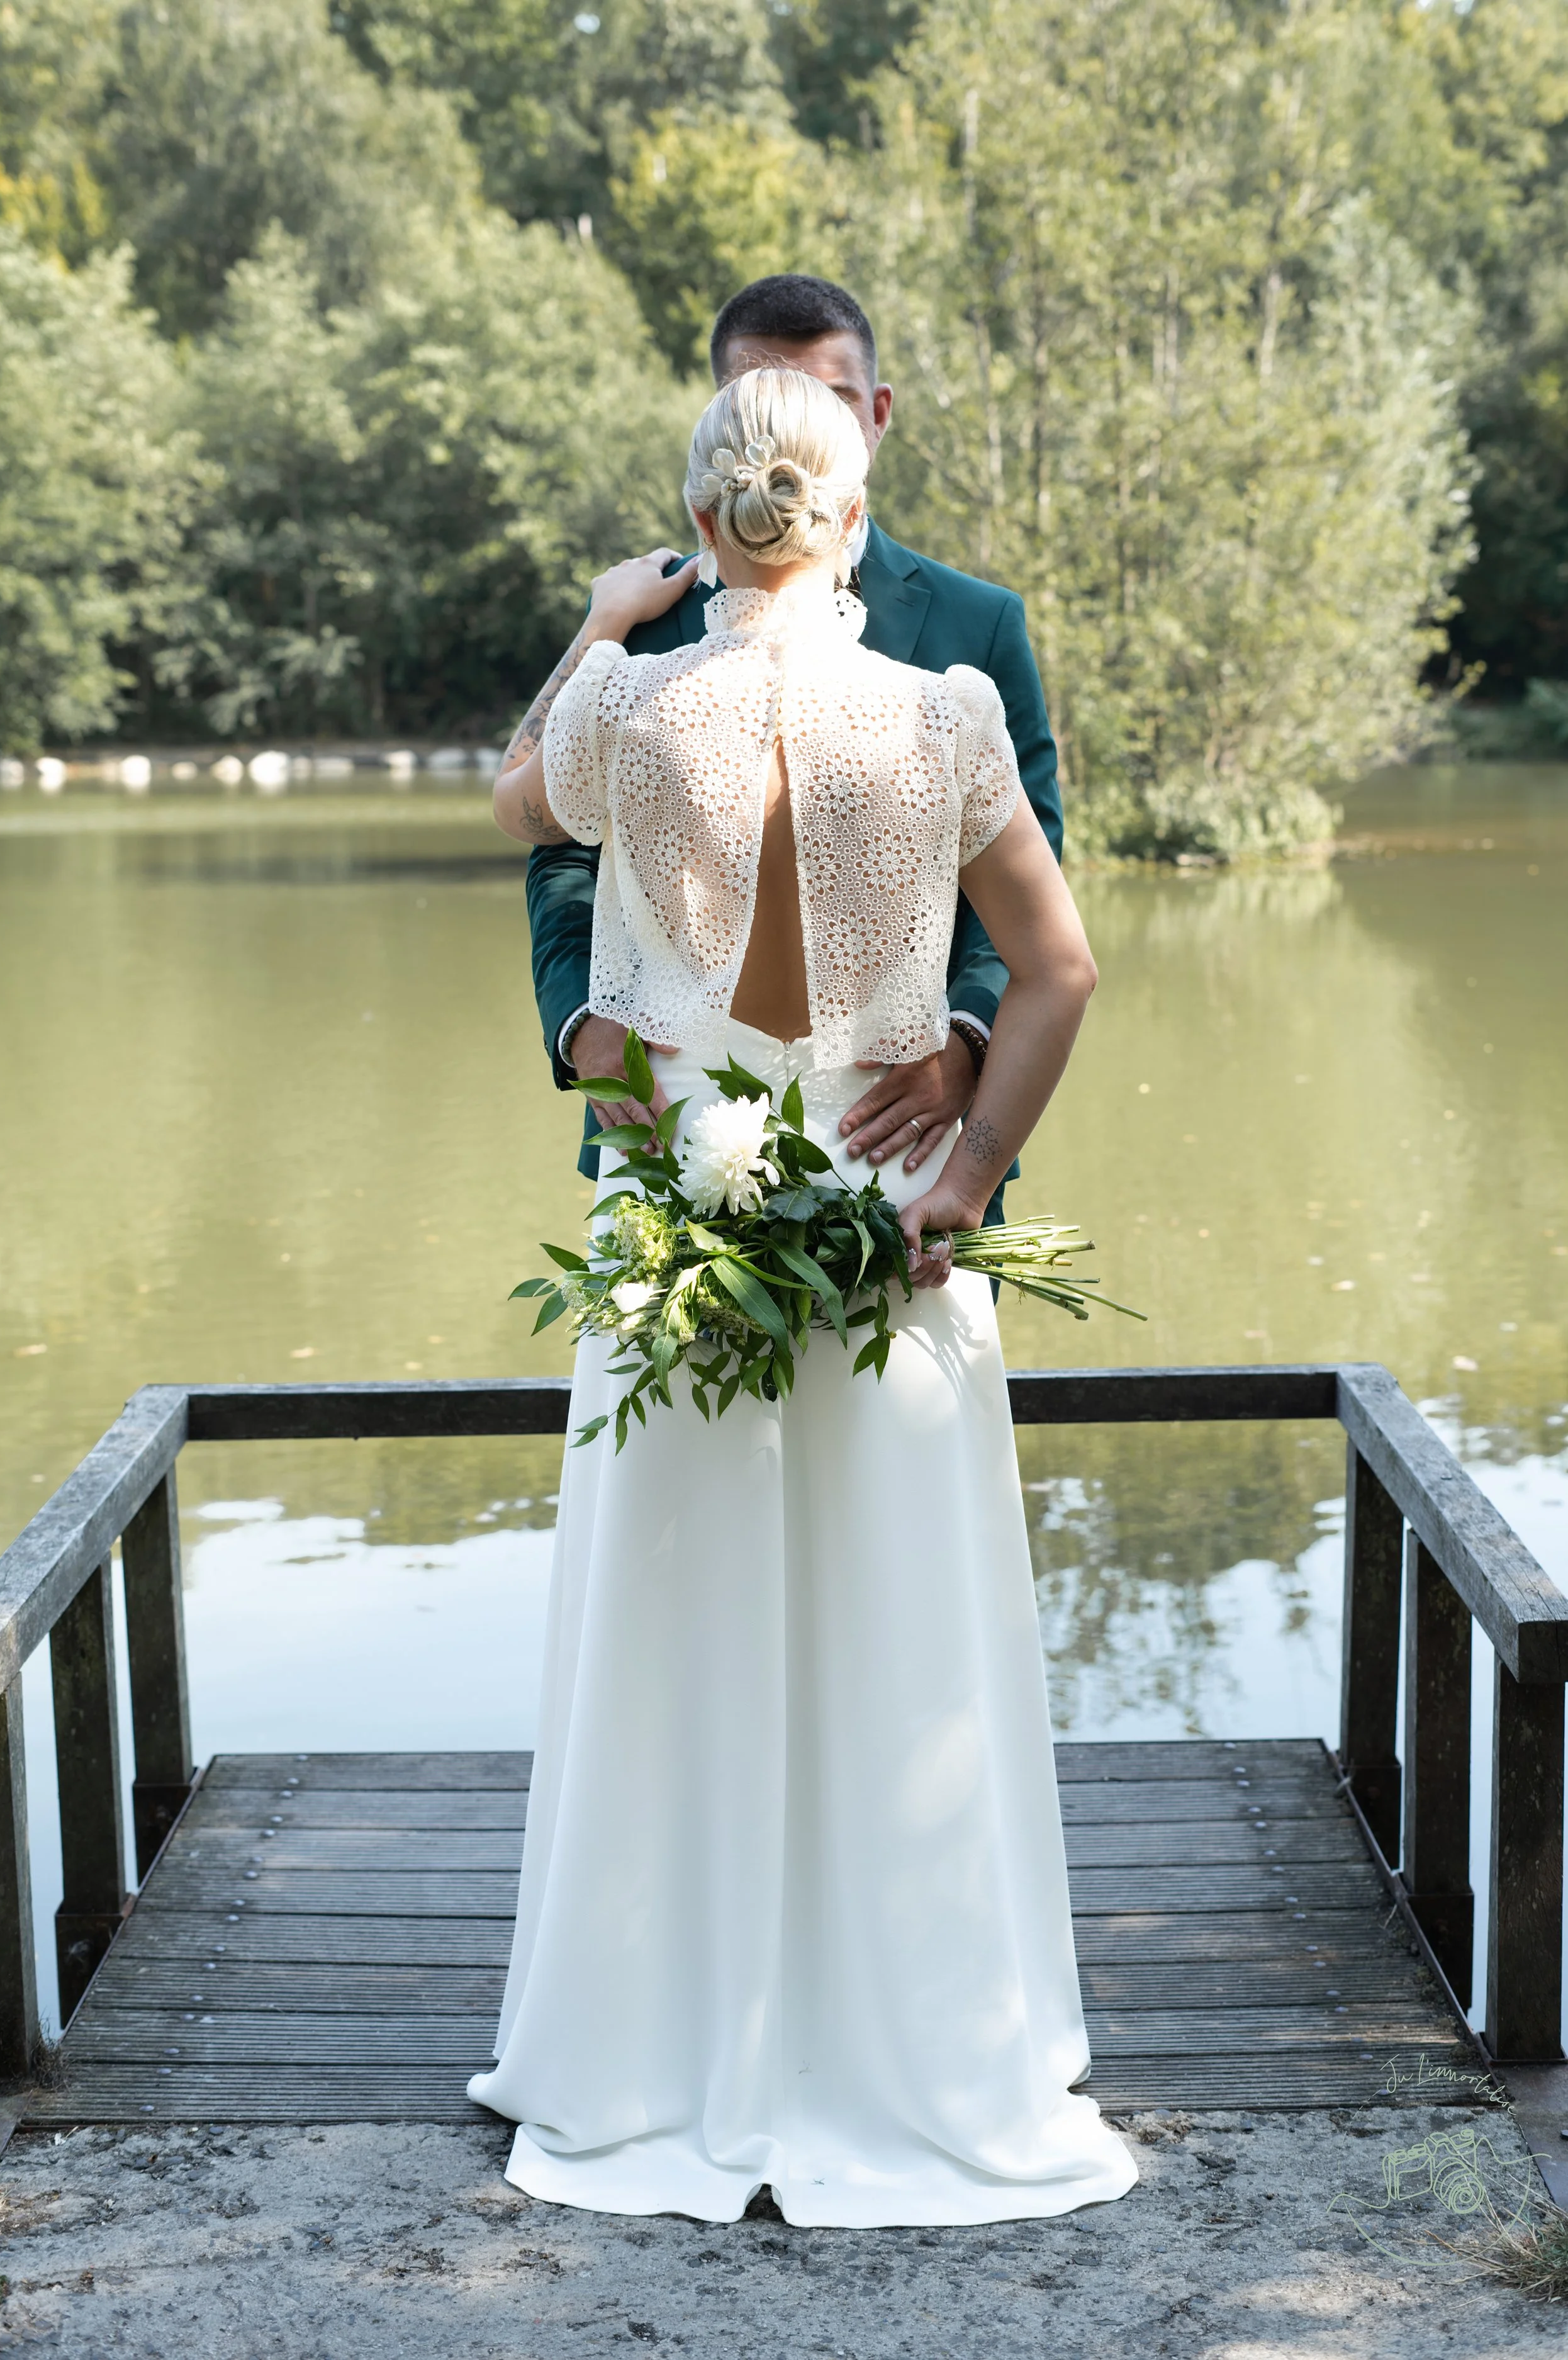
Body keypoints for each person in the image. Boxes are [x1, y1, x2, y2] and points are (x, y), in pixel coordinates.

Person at [468, 363, 1137, 2228]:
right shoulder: (940, 712)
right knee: (896, 1627)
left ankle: (649, 2040)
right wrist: (968, 1169)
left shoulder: (621, 710)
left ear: (703, 523)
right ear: (847, 515)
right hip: (883, 1233)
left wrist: (603, 626)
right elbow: (1061, 967)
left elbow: (515, 804)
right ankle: (917, 2033)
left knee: (669, 1635)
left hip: (676, 1228)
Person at [522, 273, 1060, 1205]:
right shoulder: (645, 619)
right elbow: (560, 849)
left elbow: (1030, 875)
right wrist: (584, 1023)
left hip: (906, 1124)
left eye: (834, 399)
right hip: (669, 1124)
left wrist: (973, 1044)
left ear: (878, 413)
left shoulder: (978, 624)